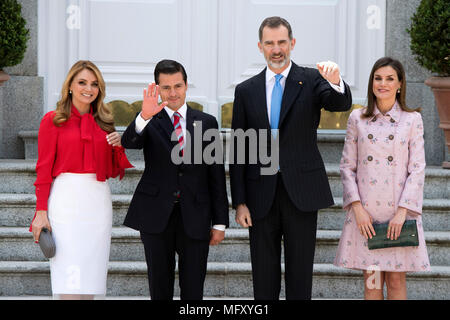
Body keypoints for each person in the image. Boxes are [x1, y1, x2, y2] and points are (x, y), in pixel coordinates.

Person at [230, 16, 352, 300]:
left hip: (302, 192)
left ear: (292, 43)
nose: (276, 49)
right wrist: (239, 201)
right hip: (260, 195)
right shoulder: (245, 91)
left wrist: (335, 82)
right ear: (260, 46)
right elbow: (238, 150)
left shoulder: (311, 79)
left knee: (300, 275)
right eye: (270, 43)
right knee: (263, 276)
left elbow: (339, 103)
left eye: (282, 42)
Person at [121, 59, 229, 300]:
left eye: (177, 86)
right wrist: (143, 116)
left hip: (196, 215)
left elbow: (215, 175)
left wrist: (220, 222)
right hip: (156, 215)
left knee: (193, 290)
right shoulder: (150, 119)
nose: (172, 93)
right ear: (158, 89)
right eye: (166, 87)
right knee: (159, 287)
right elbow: (129, 142)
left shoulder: (207, 122)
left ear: (187, 85)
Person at [30, 60, 133, 300]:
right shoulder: (52, 120)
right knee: (69, 282)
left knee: (91, 284)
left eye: (94, 84)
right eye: (82, 82)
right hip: (66, 202)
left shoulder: (105, 123)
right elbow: (43, 170)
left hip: (97, 203)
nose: (89, 88)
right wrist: (41, 211)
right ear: (70, 87)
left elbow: (113, 170)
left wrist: (118, 146)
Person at [334, 57, 430, 300]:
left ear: (400, 84)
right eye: (378, 78)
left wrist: (403, 212)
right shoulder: (358, 119)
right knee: (373, 281)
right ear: (371, 83)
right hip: (367, 216)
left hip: (399, 213)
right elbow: (347, 167)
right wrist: (357, 208)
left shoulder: (412, 120)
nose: (383, 84)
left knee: (396, 281)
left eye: (389, 79)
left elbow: (417, 168)